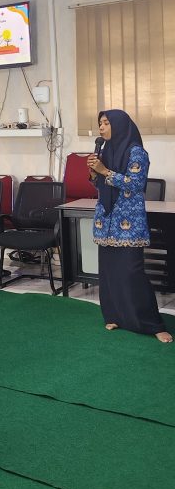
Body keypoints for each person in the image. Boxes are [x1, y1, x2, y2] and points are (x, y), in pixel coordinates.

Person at [88, 109, 172, 343]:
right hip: (106, 221)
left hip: (128, 225)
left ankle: (152, 324)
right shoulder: (105, 150)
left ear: (120, 125)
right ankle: (115, 315)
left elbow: (135, 184)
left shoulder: (137, 152)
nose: (101, 127)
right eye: (100, 123)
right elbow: (102, 186)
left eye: (106, 123)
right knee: (110, 274)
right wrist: (94, 174)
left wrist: (104, 171)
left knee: (132, 273)